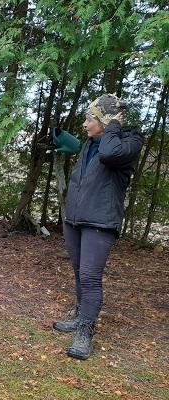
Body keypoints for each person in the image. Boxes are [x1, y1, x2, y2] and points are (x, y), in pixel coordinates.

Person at [54, 94, 143, 360]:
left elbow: (109, 154)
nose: (84, 124)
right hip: (76, 218)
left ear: (105, 121)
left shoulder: (129, 142)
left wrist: (113, 125)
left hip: (100, 221)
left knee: (90, 276)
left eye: (90, 119)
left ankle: (85, 332)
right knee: (79, 273)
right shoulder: (90, 143)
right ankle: (80, 315)